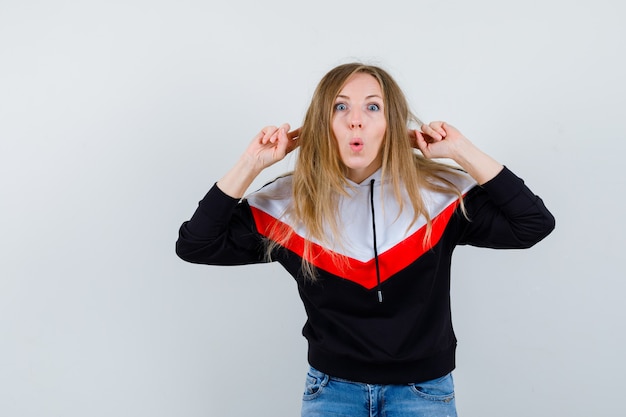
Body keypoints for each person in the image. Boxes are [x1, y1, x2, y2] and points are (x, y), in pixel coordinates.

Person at [175, 62, 555, 417]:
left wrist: (460, 151)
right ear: (321, 125)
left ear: (392, 124)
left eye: (373, 108)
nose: (356, 120)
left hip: (424, 393)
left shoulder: (441, 193)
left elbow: (532, 223)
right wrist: (251, 164)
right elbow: (197, 244)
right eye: (340, 108)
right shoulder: (288, 203)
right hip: (330, 393)